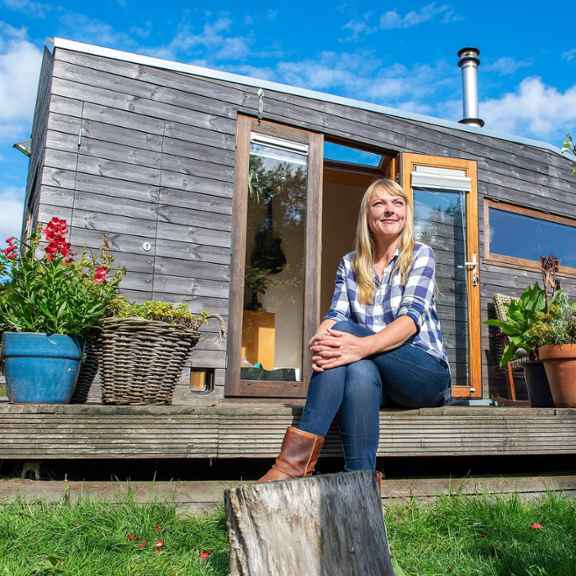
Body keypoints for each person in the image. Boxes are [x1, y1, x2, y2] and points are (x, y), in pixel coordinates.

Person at [258, 177, 451, 483]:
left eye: (397, 203)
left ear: (406, 213)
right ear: (367, 216)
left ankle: (292, 464)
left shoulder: (420, 254)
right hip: (379, 379)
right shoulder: (350, 264)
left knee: (349, 338)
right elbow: (334, 314)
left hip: (423, 375)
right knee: (359, 369)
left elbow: (409, 321)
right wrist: (322, 339)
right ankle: (359, 477)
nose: (390, 210)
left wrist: (359, 344)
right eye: (380, 203)